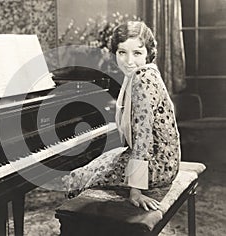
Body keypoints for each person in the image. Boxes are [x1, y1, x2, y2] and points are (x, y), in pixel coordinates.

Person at [62, 21, 181, 212]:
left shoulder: (142, 79)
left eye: (137, 53)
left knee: (75, 178)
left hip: (158, 165)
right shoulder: (142, 74)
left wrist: (136, 190)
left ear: (149, 53)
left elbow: (142, 139)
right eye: (122, 52)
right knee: (96, 165)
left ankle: (76, 226)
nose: (128, 61)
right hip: (166, 159)